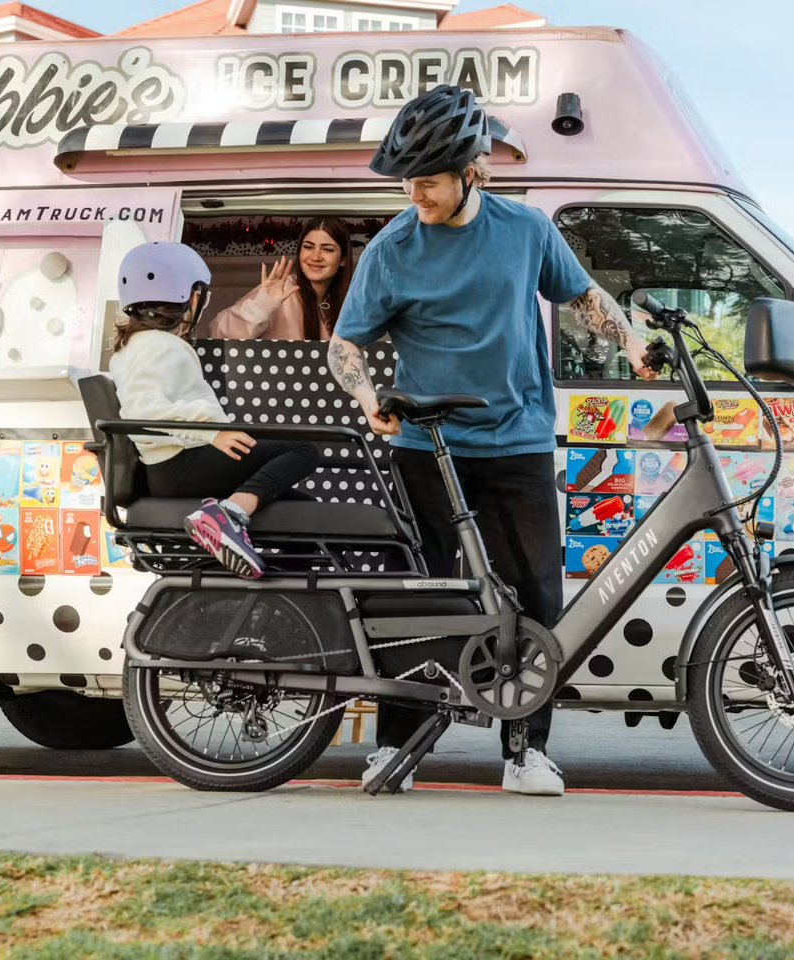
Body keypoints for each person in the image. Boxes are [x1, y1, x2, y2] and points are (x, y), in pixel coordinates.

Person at [328, 86, 654, 796]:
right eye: (407, 179)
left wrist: (630, 341)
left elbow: (581, 296)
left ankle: (525, 751)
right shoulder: (392, 247)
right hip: (426, 447)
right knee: (417, 597)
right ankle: (394, 745)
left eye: (429, 179)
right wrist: (368, 398)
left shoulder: (526, 230)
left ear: (470, 171)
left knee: (534, 595)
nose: (415, 192)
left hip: (517, 440)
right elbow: (345, 344)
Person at [110, 242, 319, 579]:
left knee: (305, 510)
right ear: (192, 297)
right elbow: (142, 411)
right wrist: (212, 432)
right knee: (302, 449)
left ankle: (280, 586)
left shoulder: (135, 347)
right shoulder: (158, 345)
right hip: (180, 465)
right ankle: (229, 516)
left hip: (176, 465)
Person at [211, 218, 354, 340]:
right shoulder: (282, 289)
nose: (316, 257)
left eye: (327, 249)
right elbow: (219, 333)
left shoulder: (346, 303)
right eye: (308, 247)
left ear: (343, 259)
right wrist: (262, 305)